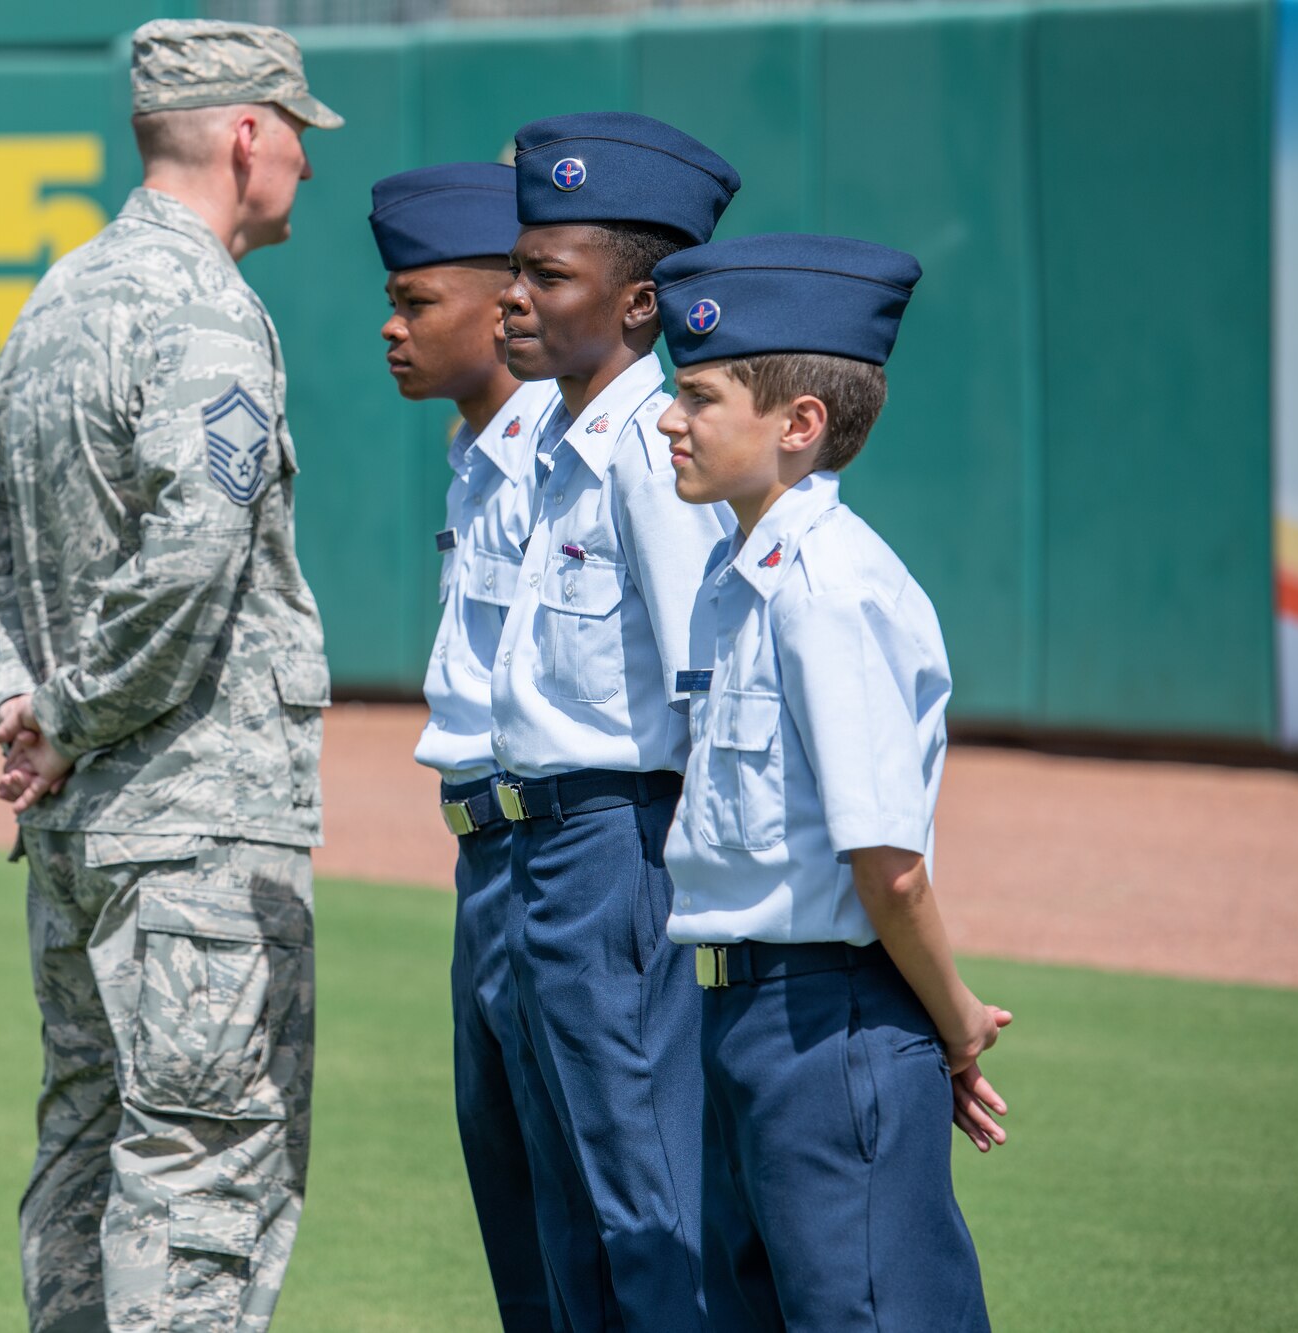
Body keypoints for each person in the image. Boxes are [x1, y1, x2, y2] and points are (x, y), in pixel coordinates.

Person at [0, 19, 342, 1333]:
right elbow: (196, 548)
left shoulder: (56, 296)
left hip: (76, 831)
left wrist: (20, 702)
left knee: (86, 1147)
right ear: (246, 134)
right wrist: (62, 715)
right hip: (191, 825)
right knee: (201, 1175)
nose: (303, 155)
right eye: (295, 128)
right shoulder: (206, 309)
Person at [653, 232, 1009, 1331]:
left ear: (797, 425)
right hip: (744, 1013)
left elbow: (887, 870)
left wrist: (947, 1023)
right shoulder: (737, 576)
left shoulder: (827, 593)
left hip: (826, 1019)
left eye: (699, 396)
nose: (669, 417)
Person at [487, 111, 740, 1331]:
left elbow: (709, 686)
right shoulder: (555, 442)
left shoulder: (650, 448)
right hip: (546, 849)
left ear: (638, 303)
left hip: (622, 847)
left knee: (646, 1206)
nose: (513, 299)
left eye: (546, 275)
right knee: (570, 1202)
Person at [368, 160, 565, 1333]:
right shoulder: (475, 453)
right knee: (519, 1225)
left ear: (503, 304)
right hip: (484, 863)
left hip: (571, 859)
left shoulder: (576, 453)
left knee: (611, 1217)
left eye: (414, 300)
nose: (390, 329)